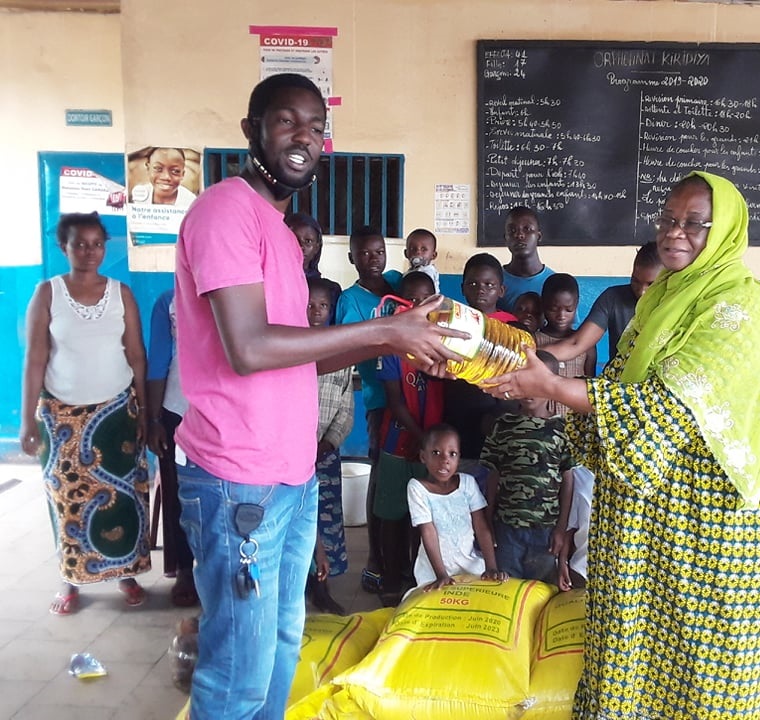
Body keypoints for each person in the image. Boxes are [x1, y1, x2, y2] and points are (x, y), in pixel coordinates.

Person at [173, 73, 462, 720]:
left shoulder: (277, 231)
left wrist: (397, 343)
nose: (303, 136)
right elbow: (248, 348)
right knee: (237, 674)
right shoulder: (223, 211)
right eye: (285, 120)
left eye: (314, 125)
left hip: (290, 476)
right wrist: (386, 326)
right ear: (251, 132)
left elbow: (306, 353)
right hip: (235, 483)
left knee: (279, 647)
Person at [483, 171, 760, 720]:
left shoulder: (743, 310)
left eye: (695, 224)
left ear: (724, 230)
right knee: (633, 661)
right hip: (649, 518)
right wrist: (531, 380)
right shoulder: (663, 300)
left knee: (702, 677)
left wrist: (552, 386)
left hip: (716, 529)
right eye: (668, 221)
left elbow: (663, 406)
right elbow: (617, 386)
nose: (676, 234)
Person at [19, 212, 150, 615]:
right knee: (67, 502)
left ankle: (124, 572)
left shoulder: (121, 293)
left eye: (97, 243)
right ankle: (72, 577)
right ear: (64, 247)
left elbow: (137, 355)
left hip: (116, 415)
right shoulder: (47, 293)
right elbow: (35, 359)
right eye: (79, 243)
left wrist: (144, 409)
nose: (89, 251)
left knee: (124, 499)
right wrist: (27, 420)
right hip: (62, 419)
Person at [335, 224, 403, 594]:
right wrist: (385, 339)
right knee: (381, 473)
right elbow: (348, 348)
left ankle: (400, 555)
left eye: (378, 251)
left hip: (413, 392)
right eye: (363, 253)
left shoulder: (396, 284)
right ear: (351, 258)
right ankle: (375, 560)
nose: (372, 259)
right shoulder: (350, 301)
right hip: (380, 399)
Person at [373, 271, 445, 604]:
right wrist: (421, 439)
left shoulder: (447, 341)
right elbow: (395, 401)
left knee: (424, 517)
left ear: (436, 301)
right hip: (398, 445)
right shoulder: (391, 346)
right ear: (400, 302)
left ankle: (419, 578)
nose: (417, 306)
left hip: (434, 448)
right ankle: (391, 575)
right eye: (410, 299)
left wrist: (433, 444)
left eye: (424, 299)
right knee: (392, 515)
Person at [481, 350, 573, 583]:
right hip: (507, 527)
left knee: (539, 591)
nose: (529, 390)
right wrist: (487, 519)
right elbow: (493, 474)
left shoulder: (562, 429)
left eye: (537, 383)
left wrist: (561, 528)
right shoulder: (502, 425)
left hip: (546, 530)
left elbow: (568, 480)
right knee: (506, 588)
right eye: (524, 380)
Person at [442, 253, 518, 491]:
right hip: (459, 421)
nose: (480, 290)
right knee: (461, 493)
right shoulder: (452, 325)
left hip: (500, 422)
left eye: (489, 284)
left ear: (502, 290)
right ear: (462, 288)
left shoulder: (512, 329)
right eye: (473, 284)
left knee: (495, 496)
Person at [407, 424, 506, 591]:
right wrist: (441, 574)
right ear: (423, 456)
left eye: (452, 454)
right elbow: (428, 532)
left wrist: (491, 567)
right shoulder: (417, 488)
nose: (445, 459)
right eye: (436, 453)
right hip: (433, 571)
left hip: (470, 567)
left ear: (459, 458)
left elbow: (481, 527)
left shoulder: (467, 483)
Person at [146, 287, 197, 607]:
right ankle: (185, 570)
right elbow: (158, 361)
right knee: (178, 496)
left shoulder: (236, 294)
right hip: (177, 411)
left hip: (223, 412)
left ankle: (219, 568)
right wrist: (153, 420)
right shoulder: (168, 301)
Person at [305, 276, 352, 615]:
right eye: (309, 304)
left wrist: (329, 442)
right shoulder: (290, 347)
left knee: (327, 520)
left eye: (323, 305)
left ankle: (322, 588)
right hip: (291, 451)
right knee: (296, 520)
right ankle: (298, 585)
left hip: (324, 453)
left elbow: (346, 409)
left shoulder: (341, 353)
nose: (316, 310)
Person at [546, 241, 662, 365]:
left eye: (650, 284)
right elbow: (576, 344)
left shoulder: (677, 307)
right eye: (635, 281)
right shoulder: (612, 298)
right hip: (617, 381)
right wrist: (526, 354)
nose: (641, 291)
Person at [534, 273, 596, 416]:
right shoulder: (534, 341)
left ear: (576, 304)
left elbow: (590, 387)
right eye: (553, 309)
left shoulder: (585, 343)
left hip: (577, 421)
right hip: (543, 422)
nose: (561, 315)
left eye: (568, 309)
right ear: (543, 305)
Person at [498, 205, 555, 313]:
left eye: (527, 229)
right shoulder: (493, 282)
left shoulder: (555, 284)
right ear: (506, 238)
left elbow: (569, 328)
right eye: (512, 230)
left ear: (539, 236)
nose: (519, 235)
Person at [557, 465, 594, 592]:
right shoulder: (579, 474)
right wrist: (562, 562)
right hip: (581, 571)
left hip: (619, 575)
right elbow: (570, 526)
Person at [130, 147, 197, 206]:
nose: (166, 177)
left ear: (182, 174)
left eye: (175, 171)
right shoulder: (137, 196)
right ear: (148, 169)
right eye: (158, 169)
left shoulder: (190, 202)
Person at [286, 212, 324, 276]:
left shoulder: (322, 285)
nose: (301, 247)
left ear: (317, 248)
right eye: (295, 240)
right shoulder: (271, 279)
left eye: (308, 241)